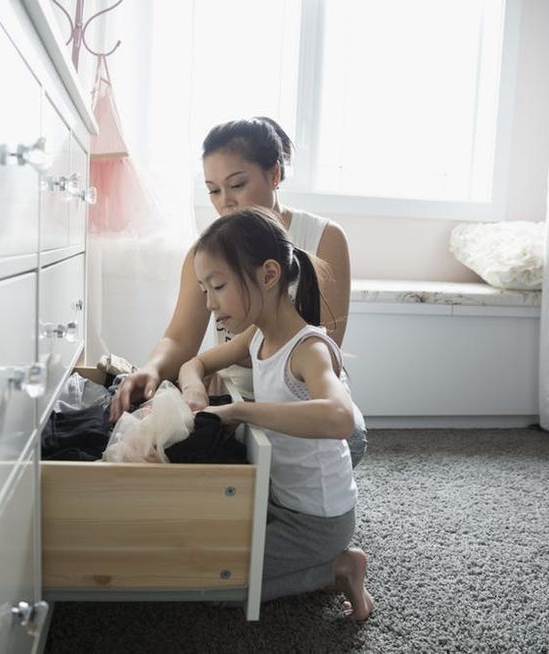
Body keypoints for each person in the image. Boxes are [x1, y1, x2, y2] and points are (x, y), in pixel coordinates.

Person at [111, 116, 367, 467]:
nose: (225, 202)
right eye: (214, 190)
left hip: (302, 402)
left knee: (339, 446)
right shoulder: (206, 253)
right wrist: (153, 369)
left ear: (274, 175)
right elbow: (180, 339)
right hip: (238, 394)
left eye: (237, 185)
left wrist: (227, 359)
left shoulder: (325, 237)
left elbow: (324, 345)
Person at [177, 207, 373, 620]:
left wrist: (242, 411)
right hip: (282, 500)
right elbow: (195, 363)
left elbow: (341, 418)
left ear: (268, 275)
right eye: (204, 290)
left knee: (216, 586)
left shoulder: (309, 350)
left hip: (318, 521)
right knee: (205, 547)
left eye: (217, 287)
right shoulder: (257, 337)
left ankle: (338, 567)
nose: (210, 304)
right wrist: (194, 387)